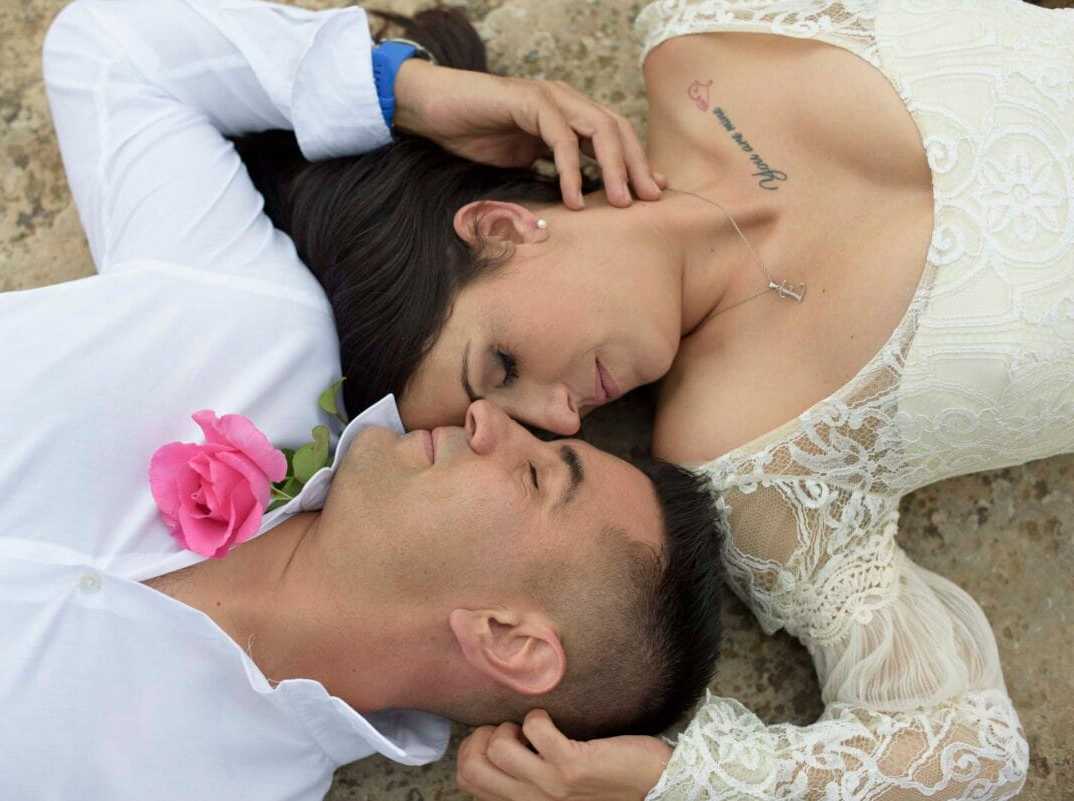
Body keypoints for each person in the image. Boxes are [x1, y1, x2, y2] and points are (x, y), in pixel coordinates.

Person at [0, 1, 724, 799]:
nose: (488, 421)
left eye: (539, 474)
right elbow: (112, 53)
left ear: (510, 637)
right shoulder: (259, 332)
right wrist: (407, 91)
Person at [246, 0, 1074, 798]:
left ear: (499, 228)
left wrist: (405, 88)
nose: (563, 418)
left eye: (502, 367)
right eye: (531, 425)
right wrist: (685, 780)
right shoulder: (753, 459)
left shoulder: (705, 27)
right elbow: (970, 747)